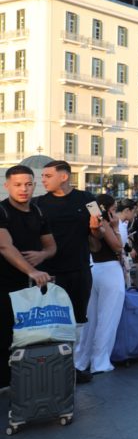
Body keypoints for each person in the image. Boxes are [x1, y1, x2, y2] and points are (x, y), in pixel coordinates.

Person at [37, 160, 101, 384]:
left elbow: (99, 230)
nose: (43, 180)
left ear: (64, 177)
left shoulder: (88, 199)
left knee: (78, 320)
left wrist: (96, 228)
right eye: (42, 176)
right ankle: (50, 370)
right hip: (50, 273)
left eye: (47, 176)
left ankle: (72, 367)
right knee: (51, 323)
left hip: (80, 269)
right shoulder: (38, 203)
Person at [0, 165, 54, 390]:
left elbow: (51, 246)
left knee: (31, 338)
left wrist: (42, 255)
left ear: (34, 185)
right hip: (5, 286)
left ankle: (27, 383)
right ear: (7, 186)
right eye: (18, 185)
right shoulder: (2, 211)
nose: (24, 189)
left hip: (32, 289)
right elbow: (4, 246)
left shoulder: (38, 212)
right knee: (5, 336)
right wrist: (31, 270)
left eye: (28, 184)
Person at [73, 193, 126, 375]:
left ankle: (82, 360)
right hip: (110, 271)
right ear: (108, 208)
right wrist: (116, 228)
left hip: (94, 269)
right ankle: (100, 362)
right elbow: (118, 246)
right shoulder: (103, 222)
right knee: (107, 319)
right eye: (114, 208)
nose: (115, 212)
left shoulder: (87, 220)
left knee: (91, 320)